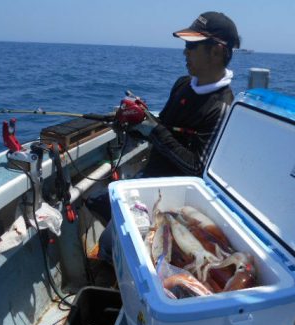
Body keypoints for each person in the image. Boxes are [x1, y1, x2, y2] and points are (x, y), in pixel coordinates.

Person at [95, 11, 240, 266]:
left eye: (192, 46)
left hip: (177, 200)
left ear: (217, 51)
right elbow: (166, 129)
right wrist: (139, 121)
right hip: (149, 178)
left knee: (109, 245)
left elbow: (197, 167)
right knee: (97, 210)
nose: (185, 52)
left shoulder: (222, 106)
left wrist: (153, 129)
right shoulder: (183, 83)